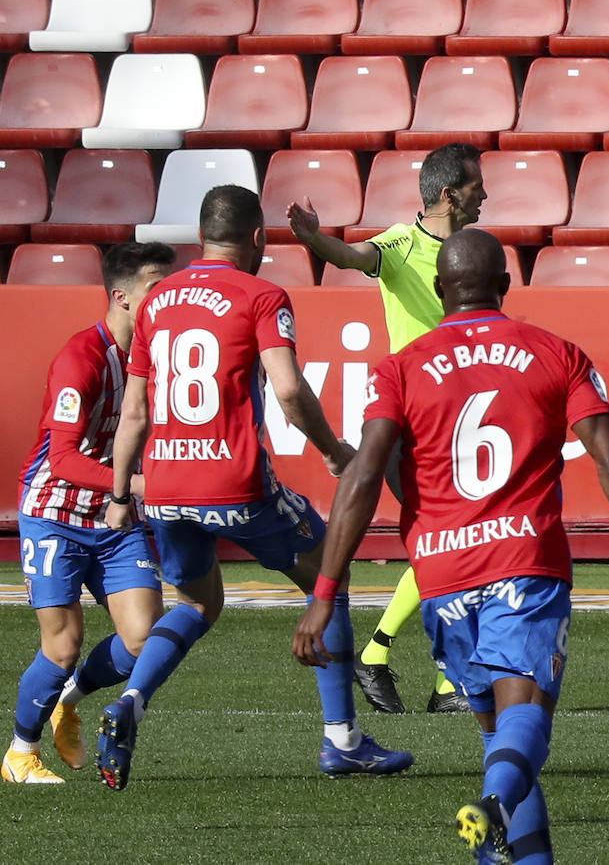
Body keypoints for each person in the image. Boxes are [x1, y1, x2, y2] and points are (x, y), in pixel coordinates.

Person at [292, 228, 609, 862]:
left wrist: (325, 591)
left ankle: (502, 824)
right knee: (525, 722)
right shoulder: (556, 353)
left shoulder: (399, 368)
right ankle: (494, 807)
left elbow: (363, 476)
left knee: (500, 741)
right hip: (525, 565)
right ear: (505, 287)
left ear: (437, 289)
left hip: (444, 578)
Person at [100, 185, 412, 790]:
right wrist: (333, 452)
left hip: (163, 485)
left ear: (200, 237)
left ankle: (130, 702)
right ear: (258, 239)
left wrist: (119, 496)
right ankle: (342, 740)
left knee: (195, 604)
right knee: (331, 571)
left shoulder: (159, 298)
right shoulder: (263, 294)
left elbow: (134, 410)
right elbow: (290, 390)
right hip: (232, 478)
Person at [288, 142, 487, 715]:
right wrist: (311, 239)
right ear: (449, 193)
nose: (486, 195)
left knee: (451, 538)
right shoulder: (401, 244)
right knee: (450, 536)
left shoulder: (472, 252)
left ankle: (381, 658)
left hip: (460, 417)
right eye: (476, 185)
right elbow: (350, 257)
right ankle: (444, 677)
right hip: (416, 420)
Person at [5, 243, 175, 785]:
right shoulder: (81, 357)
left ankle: (68, 703)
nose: (167, 297)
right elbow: (61, 458)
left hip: (116, 516)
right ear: (122, 297)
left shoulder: (161, 355)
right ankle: (19, 753)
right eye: (157, 286)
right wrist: (137, 483)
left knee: (143, 638)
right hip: (55, 512)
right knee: (62, 644)